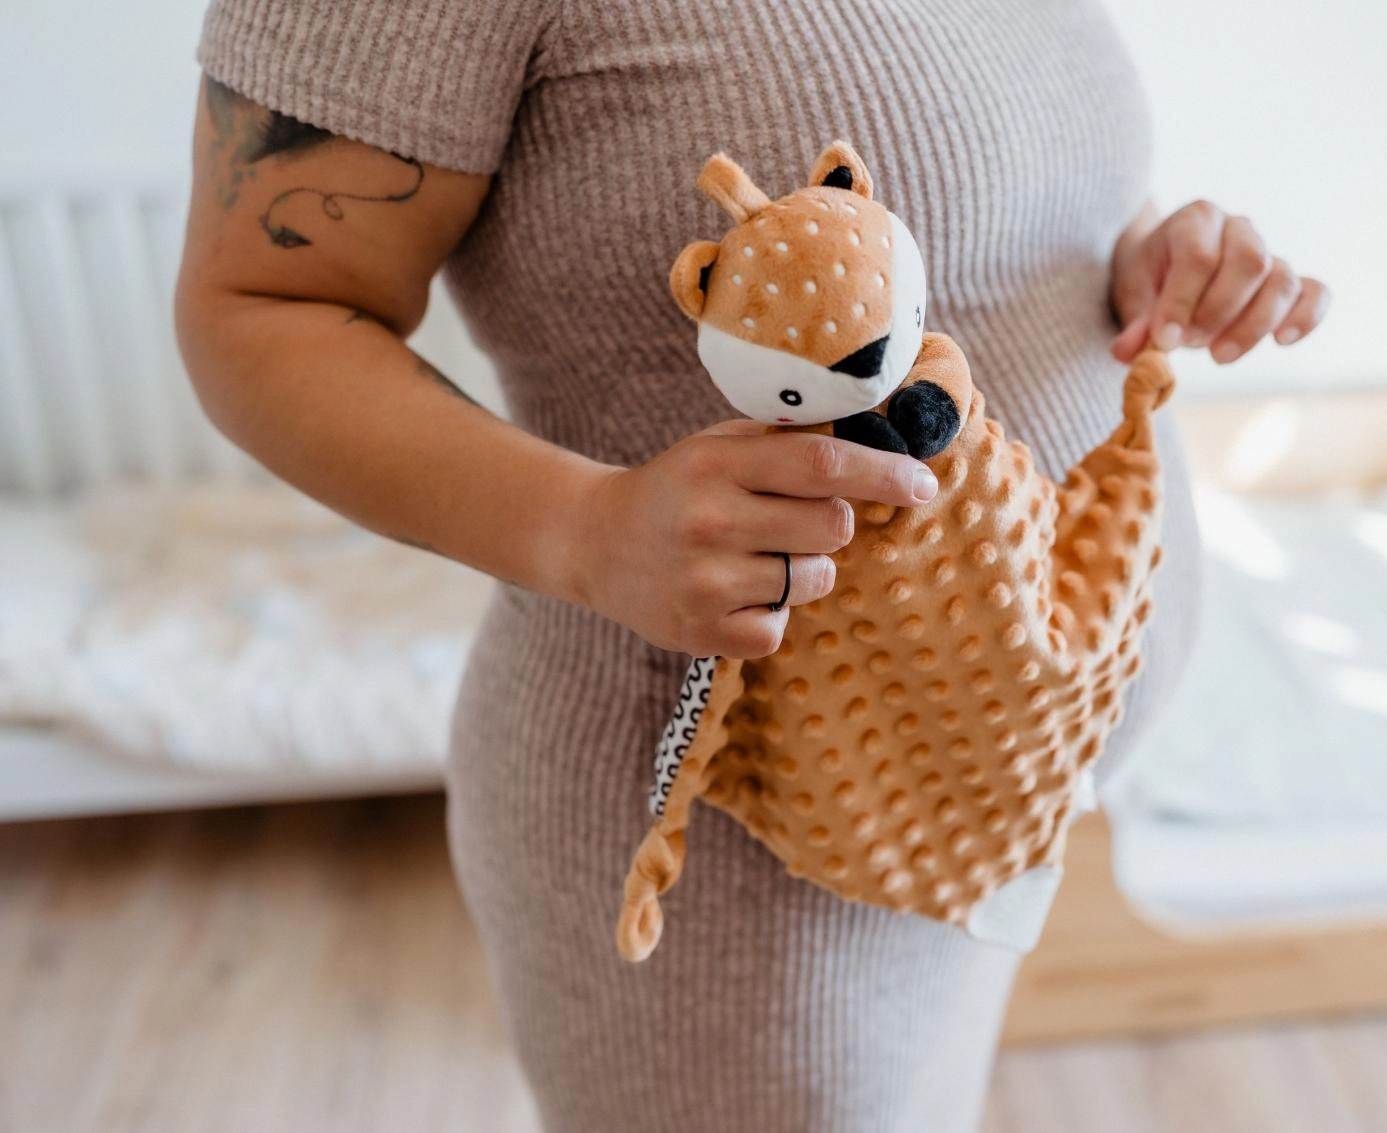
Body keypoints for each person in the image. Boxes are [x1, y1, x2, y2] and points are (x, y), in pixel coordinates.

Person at [174, 1, 1327, 1128]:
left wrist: (1147, 256)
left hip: (988, 799)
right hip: (738, 860)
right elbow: (258, 306)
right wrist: (585, 528)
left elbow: (1009, 207)